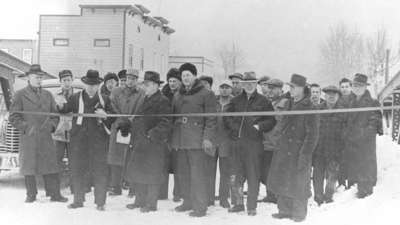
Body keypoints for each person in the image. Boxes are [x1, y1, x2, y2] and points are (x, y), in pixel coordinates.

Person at [9, 64, 68, 203]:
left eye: (41, 77)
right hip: (29, 137)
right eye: (36, 77)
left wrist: (52, 126)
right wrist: (26, 127)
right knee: (29, 167)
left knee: (50, 165)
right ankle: (31, 194)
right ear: (28, 78)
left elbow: (55, 115)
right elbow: (13, 117)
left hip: (46, 136)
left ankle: (55, 194)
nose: (39, 80)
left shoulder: (48, 95)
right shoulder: (20, 95)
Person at [58, 69, 115, 211]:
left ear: (98, 85)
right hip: (79, 141)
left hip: (99, 141)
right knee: (77, 169)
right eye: (89, 84)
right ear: (84, 84)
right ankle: (78, 200)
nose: (91, 87)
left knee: (100, 171)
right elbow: (65, 110)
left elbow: (114, 117)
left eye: (95, 84)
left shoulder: (105, 100)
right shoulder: (75, 98)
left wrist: (105, 115)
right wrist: (59, 106)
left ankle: (100, 202)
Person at [268, 74, 319, 222]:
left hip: (299, 151)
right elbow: (282, 125)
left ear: (303, 88)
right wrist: (277, 141)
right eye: (289, 86)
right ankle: (284, 210)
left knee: (299, 183)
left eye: (293, 87)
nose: (290, 89)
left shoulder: (310, 107)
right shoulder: (288, 103)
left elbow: (313, 135)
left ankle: (298, 214)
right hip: (284, 149)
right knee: (283, 178)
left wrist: (305, 154)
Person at [224, 72, 276, 216]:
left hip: (254, 144)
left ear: (256, 84)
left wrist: (259, 126)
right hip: (237, 143)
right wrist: (234, 128)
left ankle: (251, 206)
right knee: (236, 174)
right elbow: (226, 118)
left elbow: (271, 120)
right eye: (246, 83)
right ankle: (238, 204)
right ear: (242, 84)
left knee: (253, 175)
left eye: (252, 83)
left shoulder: (264, 101)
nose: (249, 85)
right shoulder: (235, 101)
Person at [171, 62, 217, 217]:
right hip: (182, 140)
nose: (185, 78)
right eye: (183, 75)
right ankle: (187, 201)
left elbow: (211, 119)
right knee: (183, 173)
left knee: (197, 175)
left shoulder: (206, 94)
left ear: (195, 76)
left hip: (197, 141)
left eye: (188, 75)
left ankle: (200, 206)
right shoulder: (178, 94)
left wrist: (207, 138)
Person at [125, 71, 172, 212]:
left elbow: (166, 122)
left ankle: (151, 204)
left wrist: (152, 134)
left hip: (154, 143)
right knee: (139, 172)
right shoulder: (145, 98)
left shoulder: (162, 100)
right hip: (141, 141)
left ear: (157, 85)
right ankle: (139, 201)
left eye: (150, 84)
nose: (147, 87)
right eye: (145, 84)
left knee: (152, 174)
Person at [343, 73, 383, 198]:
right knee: (353, 175)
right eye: (354, 85)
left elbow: (374, 124)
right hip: (351, 144)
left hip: (365, 144)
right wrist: (347, 134)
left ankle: (366, 193)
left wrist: (360, 134)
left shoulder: (373, 103)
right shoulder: (349, 102)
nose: (357, 88)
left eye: (360, 85)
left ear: (365, 87)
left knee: (365, 174)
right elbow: (344, 121)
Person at [107, 69, 144, 197]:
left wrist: (130, 121)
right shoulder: (116, 91)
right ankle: (115, 186)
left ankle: (132, 188)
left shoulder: (141, 93)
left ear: (137, 80)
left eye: (133, 78)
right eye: (128, 78)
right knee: (115, 158)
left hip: (133, 128)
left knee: (132, 158)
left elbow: (141, 108)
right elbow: (111, 106)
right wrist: (121, 120)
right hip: (118, 127)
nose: (130, 81)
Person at [312, 85, 345, 205]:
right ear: (324, 96)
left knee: (332, 174)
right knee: (318, 174)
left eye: (334, 95)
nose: (331, 97)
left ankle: (329, 196)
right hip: (319, 148)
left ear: (338, 96)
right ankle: (318, 197)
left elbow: (345, 130)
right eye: (328, 94)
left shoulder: (343, 111)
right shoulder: (317, 109)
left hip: (335, 149)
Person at [258, 78, 290, 204]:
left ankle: (278, 195)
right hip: (265, 143)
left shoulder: (286, 103)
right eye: (269, 88)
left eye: (273, 88)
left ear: (280, 89)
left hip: (278, 144)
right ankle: (271, 194)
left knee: (277, 172)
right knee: (264, 172)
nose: (270, 91)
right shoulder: (264, 103)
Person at [212, 80, 234, 208]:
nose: (224, 90)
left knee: (225, 172)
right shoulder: (213, 102)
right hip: (213, 140)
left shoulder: (234, 103)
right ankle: (209, 197)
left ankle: (224, 198)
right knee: (209, 171)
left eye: (227, 87)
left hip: (226, 141)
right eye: (222, 87)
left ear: (230, 89)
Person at [161, 68, 182, 202]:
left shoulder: (183, 95)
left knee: (178, 164)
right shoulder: (164, 94)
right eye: (170, 81)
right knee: (163, 163)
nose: (172, 83)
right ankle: (161, 193)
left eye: (175, 81)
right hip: (165, 133)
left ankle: (178, 193)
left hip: (178, 133)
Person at [52, 70, 75, 193]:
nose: (67, 83)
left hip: (73, 133)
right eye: (64, 80)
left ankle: (73, 187)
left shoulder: (77, 95)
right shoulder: (55, 96)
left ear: (72, 80)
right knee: (57, 160)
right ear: (60, 82)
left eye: (69, 80)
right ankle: (56, 188)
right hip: (59, 133)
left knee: (74, 160)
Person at [337, 77, 353, 188]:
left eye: (347, 87)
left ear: (350, 87)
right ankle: (342, 183)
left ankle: (352, 183)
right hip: (340, 135)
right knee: (341, 159)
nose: (344, 89)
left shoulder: (355, 99)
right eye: (342, 87)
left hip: (353, 135)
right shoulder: (337, 101)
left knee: (353, 159)